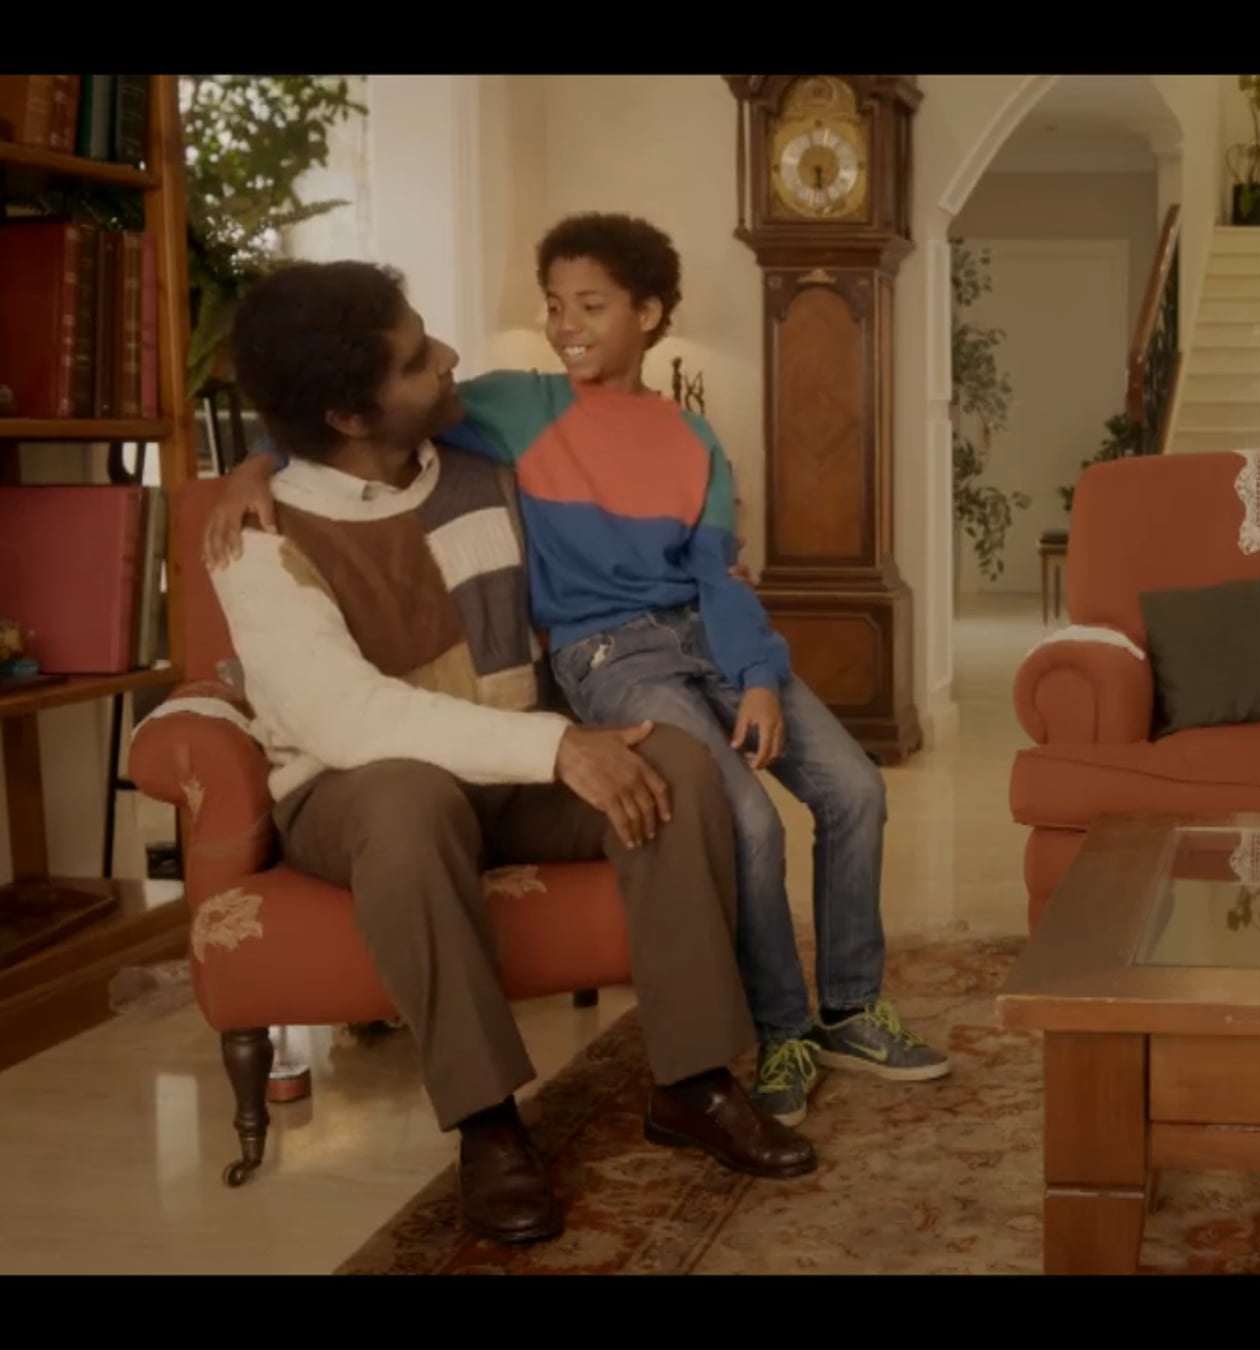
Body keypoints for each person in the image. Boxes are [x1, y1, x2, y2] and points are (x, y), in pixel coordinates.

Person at [207, 216, 950, 1125]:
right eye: (555, 305)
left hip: (631, 683)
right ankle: (729, 1047)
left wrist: (754, 670)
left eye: (591, 306)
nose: (562, 326)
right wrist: (254, 466)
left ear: (649, 313)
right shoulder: (483, 424)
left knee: (781, 784)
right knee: (733, 817)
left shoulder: (610, 445)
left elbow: (715, 573)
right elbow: (342, 444)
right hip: (512, 706)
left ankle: (779, 1042)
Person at [214, 260, 814, 1246]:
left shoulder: (484, 470)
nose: (451, 356)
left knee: (678, 762)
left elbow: (610, 553)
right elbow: (347, 719)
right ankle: (488, 1126)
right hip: (356, 793)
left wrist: (708, 585)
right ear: (350, 417)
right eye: (418, 359)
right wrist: (560, 746)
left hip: (515, 771)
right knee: (408, 805)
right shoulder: (259, 537)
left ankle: (693, 1081)